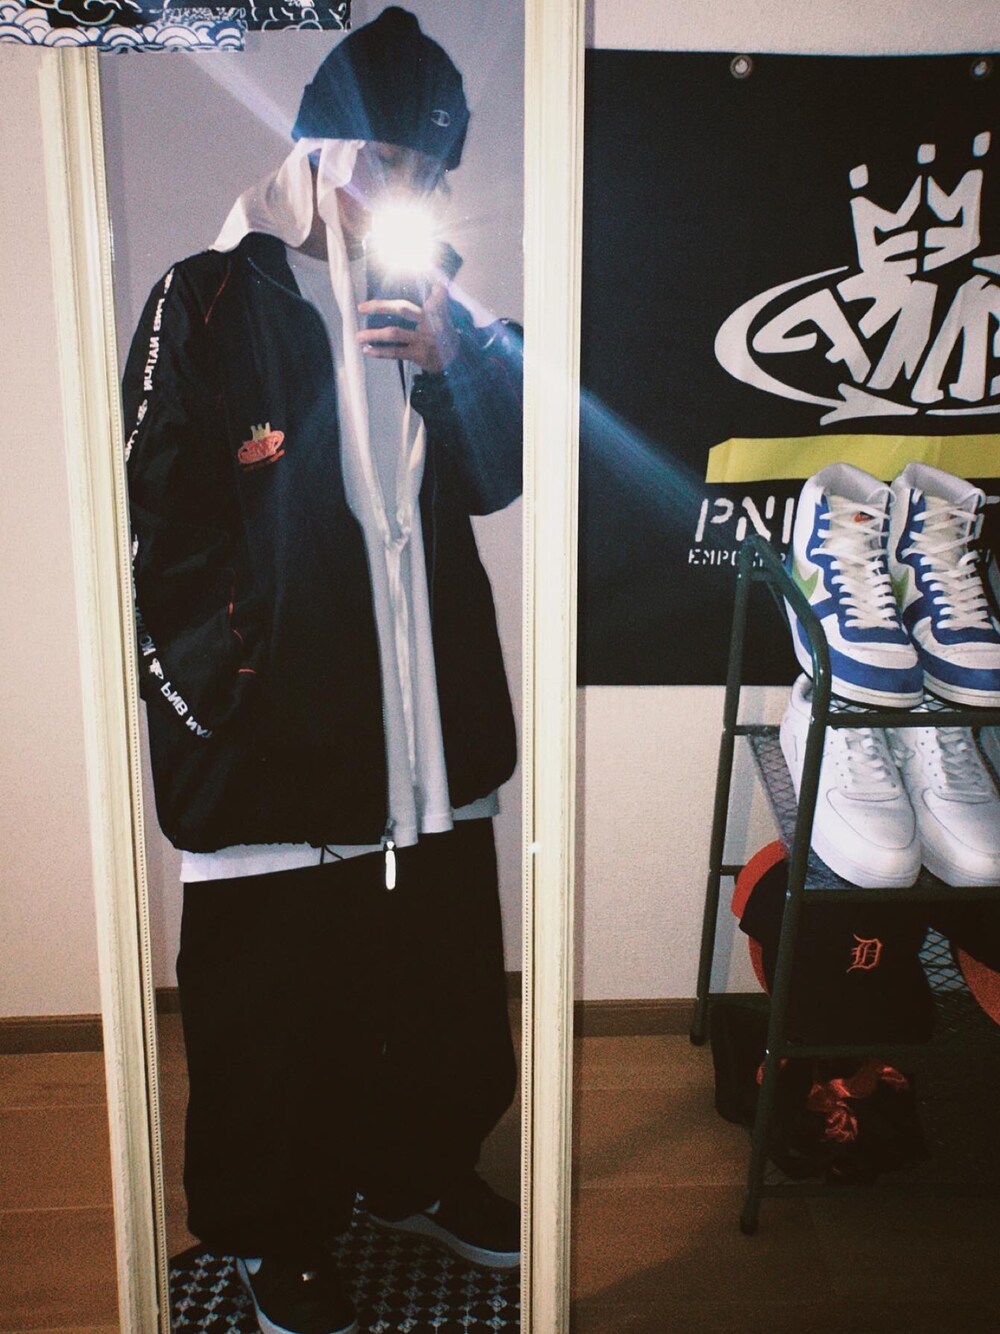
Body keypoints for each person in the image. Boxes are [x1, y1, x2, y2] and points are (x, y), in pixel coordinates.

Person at [122, 10, 523, 1333]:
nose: (404, 191)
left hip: (429, 728)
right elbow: (159, 526)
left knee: (439, 980)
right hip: (275, 738)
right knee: (273, 1008)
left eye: (429, 171)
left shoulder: (440, 299)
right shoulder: (208, 296)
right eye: (384, 159)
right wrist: (231, 698)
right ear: (320, 148)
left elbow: (499, 476)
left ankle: (421, 1172)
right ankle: (272, 1227)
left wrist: (456, 365)